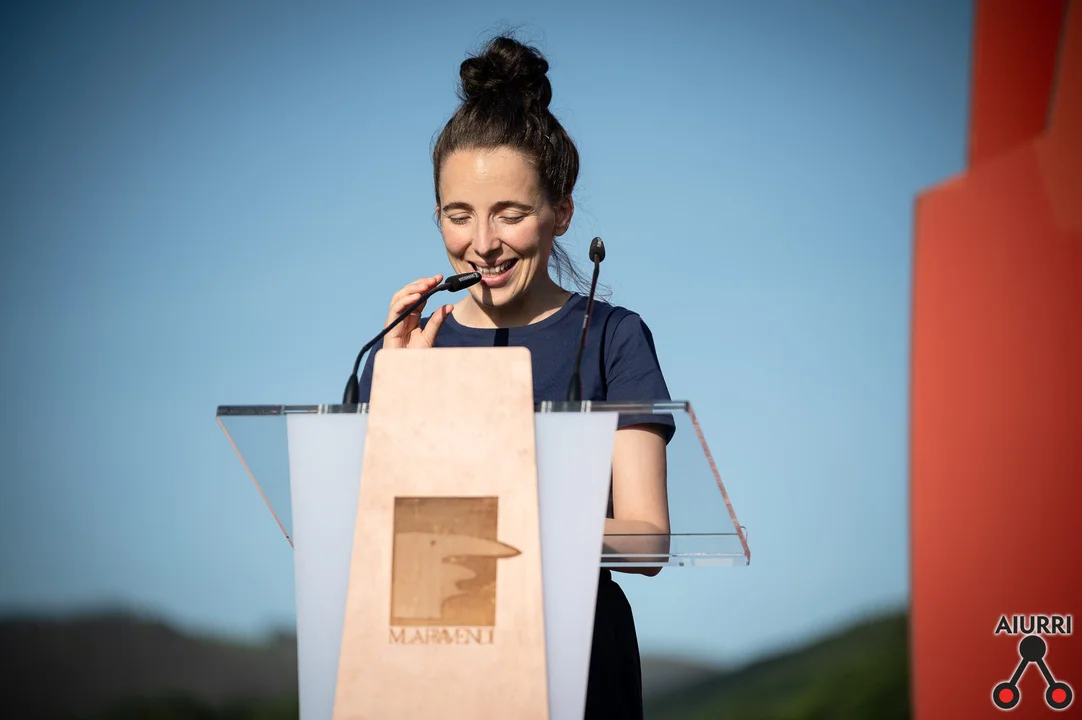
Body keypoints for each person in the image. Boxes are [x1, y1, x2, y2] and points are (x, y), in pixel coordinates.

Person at [355, 35, 674, 719]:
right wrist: (396, 396)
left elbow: (647, 538)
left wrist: (512, 519)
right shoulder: (409, 348)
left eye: (511, 213)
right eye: (459, 215)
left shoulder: (613, 337)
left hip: (578, 662)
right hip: (437, 653)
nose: (483, 242)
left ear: (561, 212)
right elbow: (367, 536)